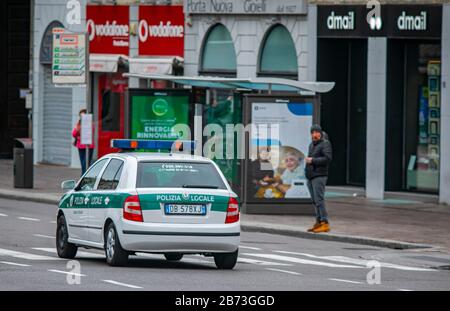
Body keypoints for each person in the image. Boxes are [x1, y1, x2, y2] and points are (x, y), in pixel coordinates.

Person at [305, 124, 332, 233]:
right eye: (313, 132)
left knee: (319, 200)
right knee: (314, 200)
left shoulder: (325, 144)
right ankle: (318, 221)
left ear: (320, 133)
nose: (315, 134)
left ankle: (325, 223)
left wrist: (312, 161)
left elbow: (327, 159)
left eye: (317, 132)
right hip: (311, 176)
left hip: (319, 175)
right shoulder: (312, 145)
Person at [72, 109, 94, 175]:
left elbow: (91, 132)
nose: (82, 117)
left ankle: (84, 176)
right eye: (80, 115)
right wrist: (78, 129)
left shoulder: (91, 123)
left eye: (83, 115)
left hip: (89, 146)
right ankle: (83, 176)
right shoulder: (79, 123)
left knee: (86, 163)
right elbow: (74, 134)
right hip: (80, 146)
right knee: (83, 163)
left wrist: (80, 129)